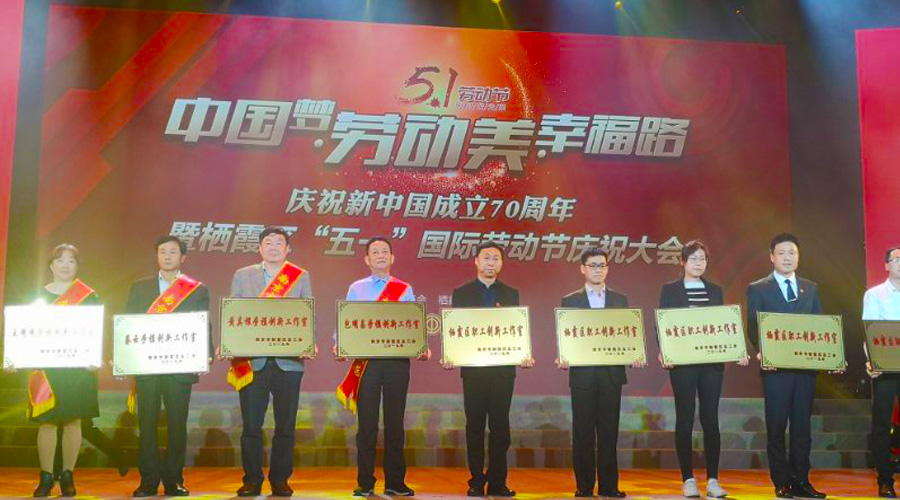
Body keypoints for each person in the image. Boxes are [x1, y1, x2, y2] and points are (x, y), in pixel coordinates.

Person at [334, 237, 430, 497]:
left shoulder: (404, 288)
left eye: (385, 251)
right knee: (367, 425)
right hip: (368, 363)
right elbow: (346, 321)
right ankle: (365, 482)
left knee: (395, 424)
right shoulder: (357, 288)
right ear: (367, 259)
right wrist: (339, 344)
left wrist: (421, 345)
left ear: (392, 257)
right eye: (375, 252)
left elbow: (412, 323)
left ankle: (395, 482)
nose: (380, 255)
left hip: (397, 362)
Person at [229, 227, 315, 498]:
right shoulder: (242, 275)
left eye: (280, 243)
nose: (274, 247)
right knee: (251, 426)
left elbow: (307, 313)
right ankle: (252, 480)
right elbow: (233, 314)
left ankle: (280, 479)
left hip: (288, 363)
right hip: (252, 361)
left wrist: (309, 341)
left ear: (288, 249)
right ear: (260, 248)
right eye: (268, 242)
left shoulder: (300, 276)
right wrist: (228, 342)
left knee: (285, 425)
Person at [658, 240, 748, 498]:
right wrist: (665, 351)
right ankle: (687, 479)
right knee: (685, 419)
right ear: (683, 261)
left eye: (703, 259)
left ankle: (713, 480)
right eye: (694, 258)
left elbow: (723, 325)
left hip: (711, 364)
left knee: (710, 419)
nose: (699, 263)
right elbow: (662, 323)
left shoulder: (715, 290)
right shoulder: (670, 290)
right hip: (682, 364)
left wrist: (737, 349)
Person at [444, 242, 534, 498]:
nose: (491, 262)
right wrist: (451, 353)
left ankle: (498, 482)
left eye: (496, 258)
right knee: (474, 427)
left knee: (500, 428)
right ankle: (475, 481)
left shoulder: (511, 293)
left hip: (502, 371)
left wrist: (524, 353)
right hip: (474, 372)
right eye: (486, 258)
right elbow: (456, 329)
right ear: (476, 261)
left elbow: (515, 329)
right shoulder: (462, 293)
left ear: (501, 263)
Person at [556, 247, 645, 498]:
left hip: (611, 375)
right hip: (582, 376)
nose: (598, 270)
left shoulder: (620, 299)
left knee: (609, 432)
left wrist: (635, 355)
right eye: (593, 265)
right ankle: (584, 487)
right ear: (582, 268)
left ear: (608, 268)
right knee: (583, 433)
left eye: (602, 265)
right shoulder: (570, 301)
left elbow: (627, 334)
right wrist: (564, 355)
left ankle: (609, 486)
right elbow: (567, 335)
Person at [126, 236, 211, 497]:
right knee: (147, 424)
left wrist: (204, 354)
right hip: (147, 367)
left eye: (173, 252)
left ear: (183, 257)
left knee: (177, 424)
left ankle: (174, 480)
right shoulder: (140, 287)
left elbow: (203, 324)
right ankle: (148, 481)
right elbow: (128, 323)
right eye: (162, 251)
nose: (167, 256)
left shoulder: (196, 289)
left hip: (180, 368)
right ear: (157, 256)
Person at [746, 233, 825, 499]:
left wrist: (829, 356)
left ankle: (802, 480)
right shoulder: (758, 288)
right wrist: (765, 353)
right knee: (777, 426)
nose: (787, 258)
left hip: (804, 368)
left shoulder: (810, 288)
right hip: (775, 370)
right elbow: (753, 326)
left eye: (792, 253)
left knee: (802, 427)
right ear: (772, 257)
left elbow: (819, 326)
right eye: (781, 253)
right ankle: (781, 481)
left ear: (798, 257)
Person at [28, 244, 101, 497]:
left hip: (78, 368)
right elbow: (25, 330)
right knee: (47, 421)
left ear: (77, 266)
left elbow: (96, 331)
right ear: (51, 265)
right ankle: (46, 477)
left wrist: (94, 356)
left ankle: (68, 476)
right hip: (46, 368)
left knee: (73, 421)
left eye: (71, 261)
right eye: (60, 260)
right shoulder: (37, 296)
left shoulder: (88, 296)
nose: (65, 265)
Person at [862, 245, 900, 498]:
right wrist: (872, 361)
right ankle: (885, 480)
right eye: (897, 259)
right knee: (882, 424)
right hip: (885, 369)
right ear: (886, 265)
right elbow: (870, 331)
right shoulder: (875, 295)